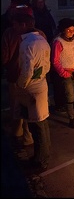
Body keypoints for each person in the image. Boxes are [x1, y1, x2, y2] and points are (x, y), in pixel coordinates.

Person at [15, 14, 51, 173]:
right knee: (41, 124)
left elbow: (27, 70)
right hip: (41, 84)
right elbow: (47, 66)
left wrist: (20, 84)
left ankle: (40, 161)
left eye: (15, 24)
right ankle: (41, 157)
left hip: (31, 88)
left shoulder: (27, 44)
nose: (14, 28)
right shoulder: (42, 40)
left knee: (37, 127)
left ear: (23, 25)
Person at [1, 11, 39, 148]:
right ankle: (28, 138)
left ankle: (18, 135)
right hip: (33, 79)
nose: (13, 26)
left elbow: (4, 56)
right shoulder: (39, 36)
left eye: (15, 24)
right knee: (29, 109)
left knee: (17, 108)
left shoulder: (10, 33)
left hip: (16, 76)